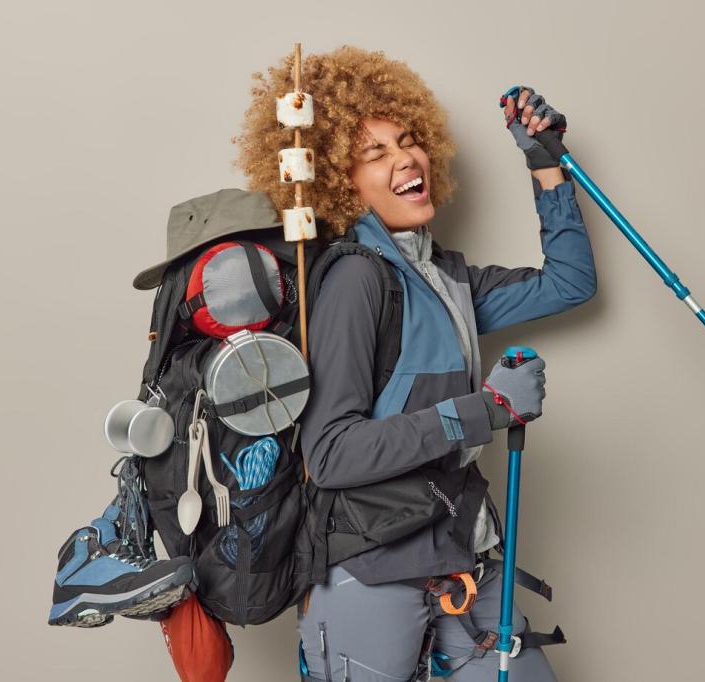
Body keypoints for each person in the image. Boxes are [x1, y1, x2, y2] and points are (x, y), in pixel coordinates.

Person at [235, 46, 596, 682]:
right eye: (375, 153)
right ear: (341, 183)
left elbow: (569, 283)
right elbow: (332, 453)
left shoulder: (445, 278)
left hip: (461, 552)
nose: (405, 159)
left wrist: (545, 162)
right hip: (370, 571)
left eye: (407, 141)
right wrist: (487, 409)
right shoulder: (355, 281)